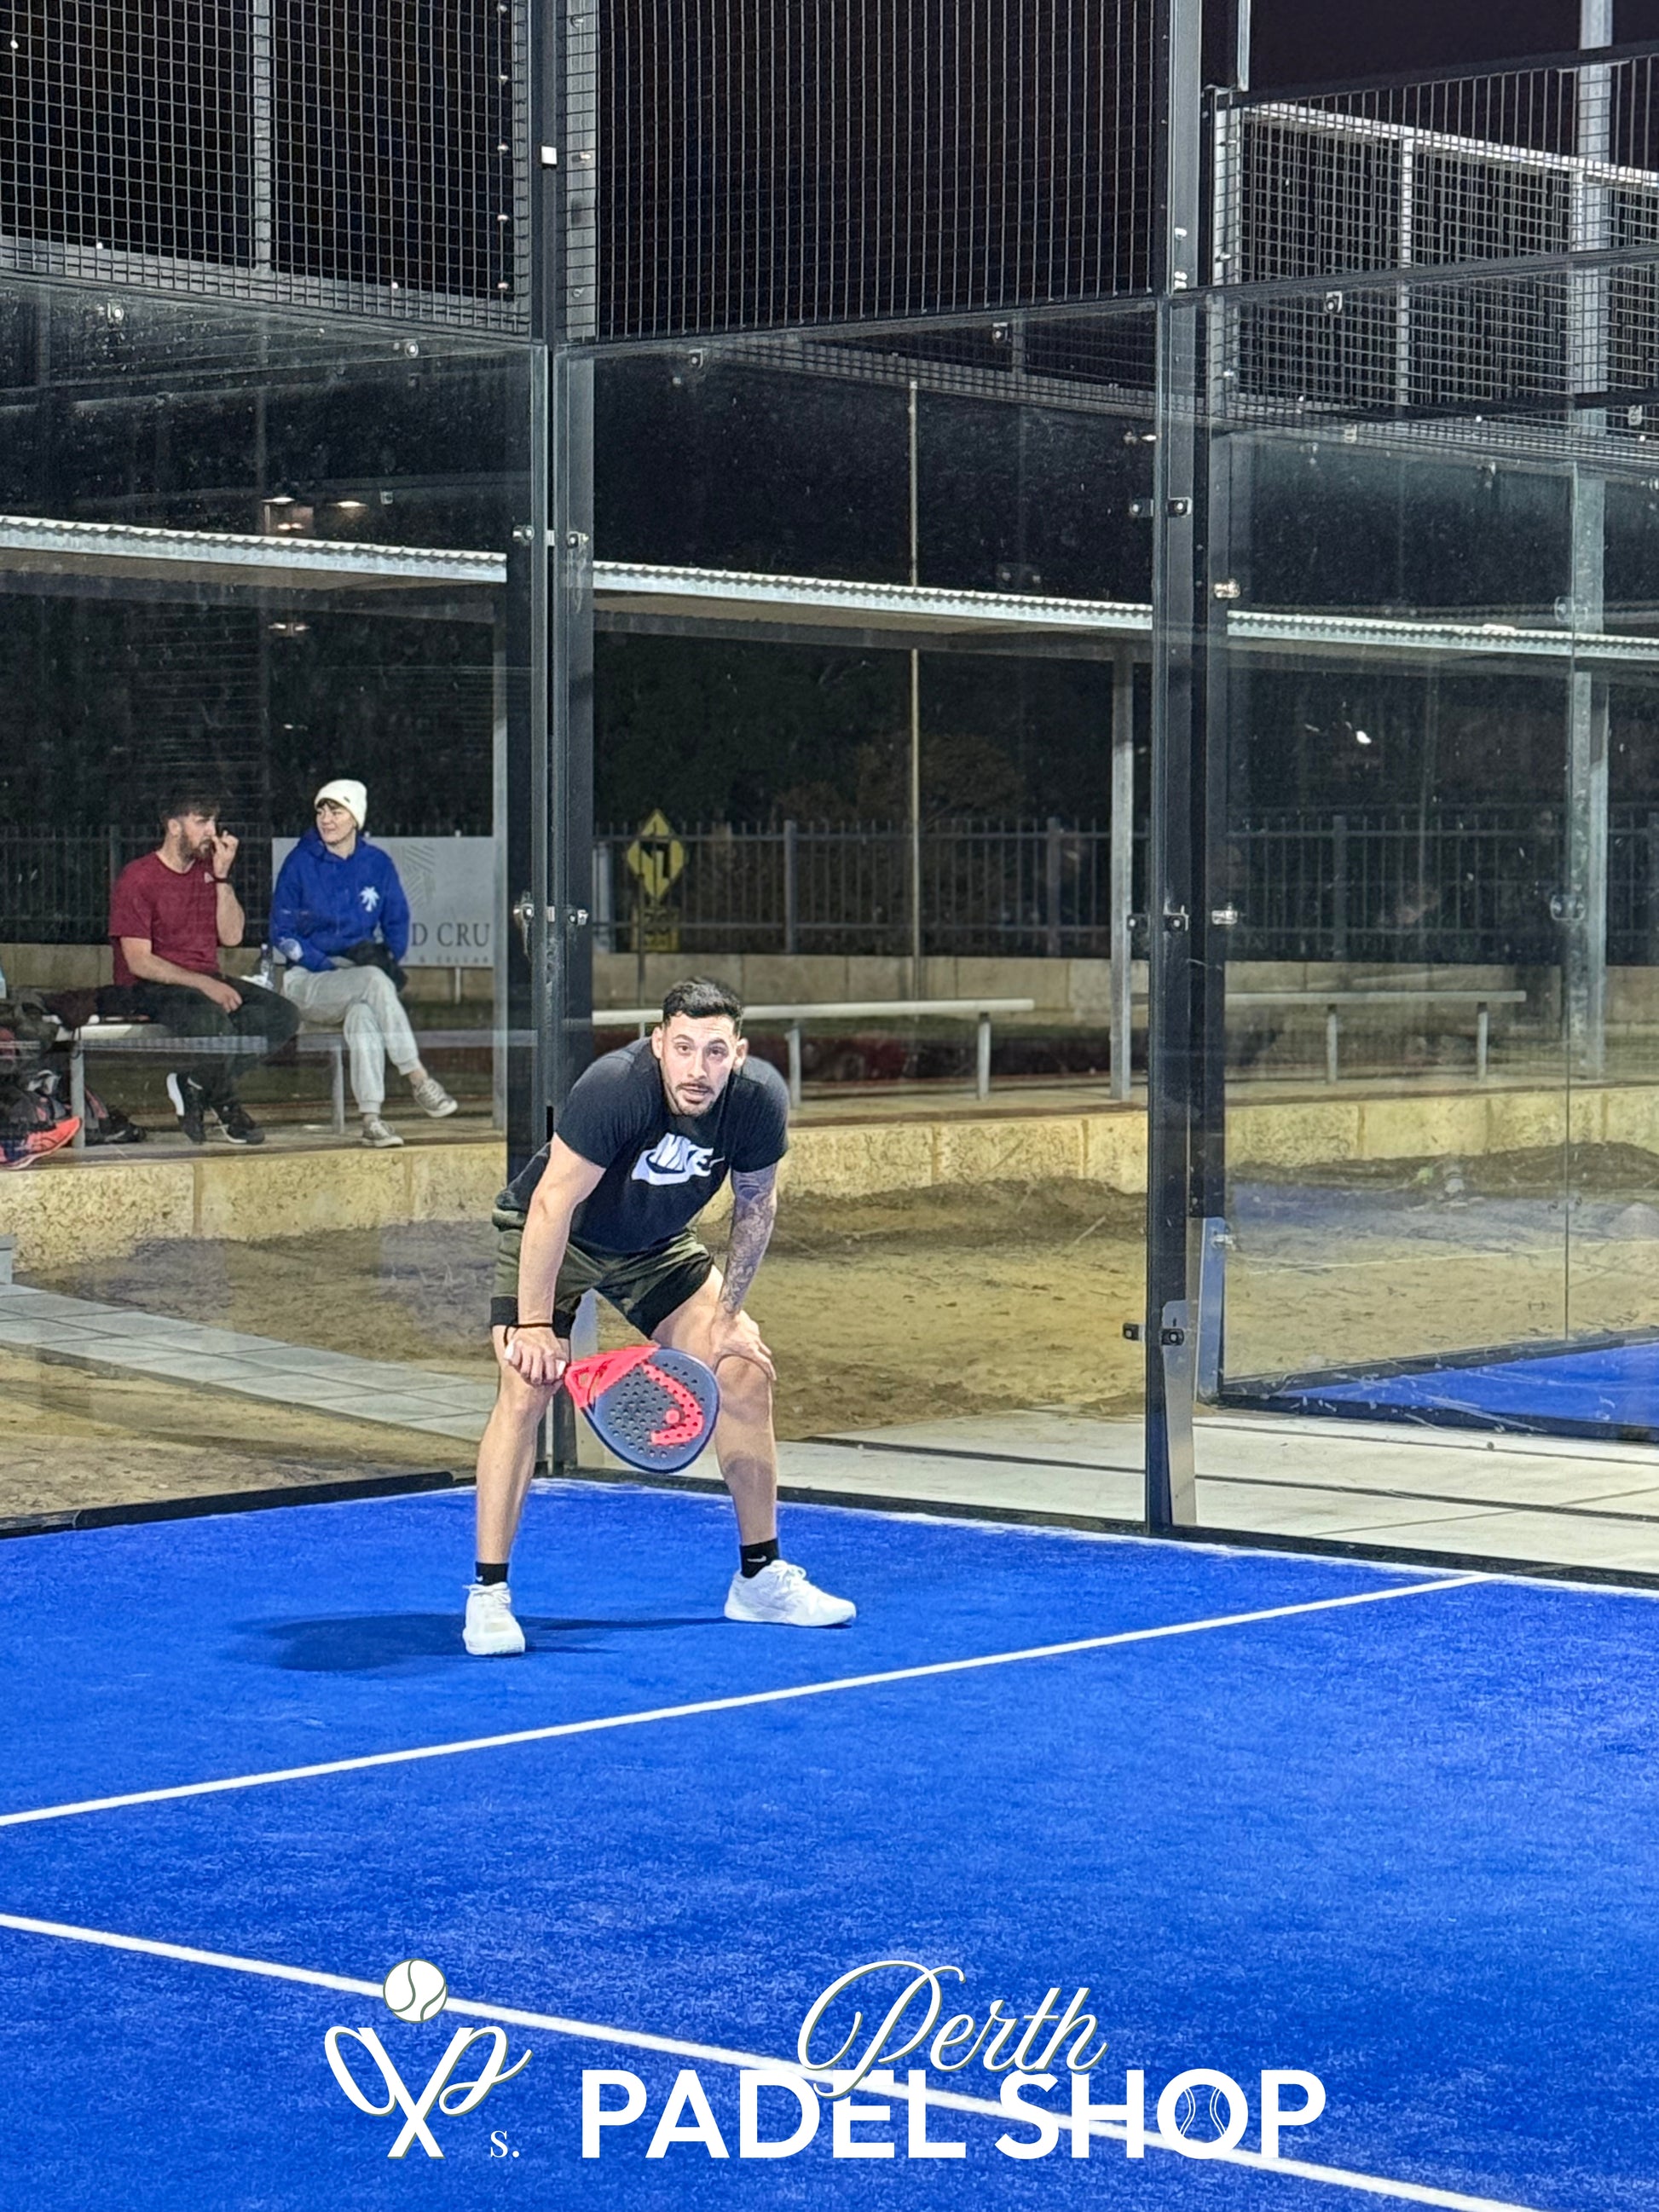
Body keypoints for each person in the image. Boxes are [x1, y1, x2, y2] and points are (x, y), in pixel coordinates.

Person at [465, 975, 853, 1655]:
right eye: (683, 1047)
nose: (697, 1067)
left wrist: (728, 1314)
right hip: (558, 1238)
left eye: (714, 1050)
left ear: (738, 1053)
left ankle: (759, 1578)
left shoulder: (757, 1100)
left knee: (742, 1368)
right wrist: (535, 1326)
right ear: (657, 1043)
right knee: (526, 1387)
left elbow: (756, 1206)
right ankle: (489, 1594)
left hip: (656, 1245)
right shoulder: (615, 1087)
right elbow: (551, 1204)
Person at [269, 778, 457, 1148]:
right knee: (371, 980)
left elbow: (397, 919)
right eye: (321, 811)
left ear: (355, 818)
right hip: (308, 981)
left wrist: (390, 957)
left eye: (336, 811)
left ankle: (371, 1119)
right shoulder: (300, 862)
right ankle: (418, 1078)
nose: (326, 819)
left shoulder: (376, 864)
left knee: (364, 1015)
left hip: (358, 978)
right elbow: (281, 931)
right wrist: (325, 964)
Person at [110, 790, 300, 1146]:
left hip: (203, 979)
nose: (211, 831)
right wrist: (204, 984)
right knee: (214, 1021)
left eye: (213, 821)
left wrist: (223, 878)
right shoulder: (139, 877)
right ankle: (226, 1106)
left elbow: (232, 936)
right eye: (201, 822)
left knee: (282, 1015)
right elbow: (138, 960)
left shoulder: (208, 873)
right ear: (174, 827)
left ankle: (195, 1082)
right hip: (149, 985)